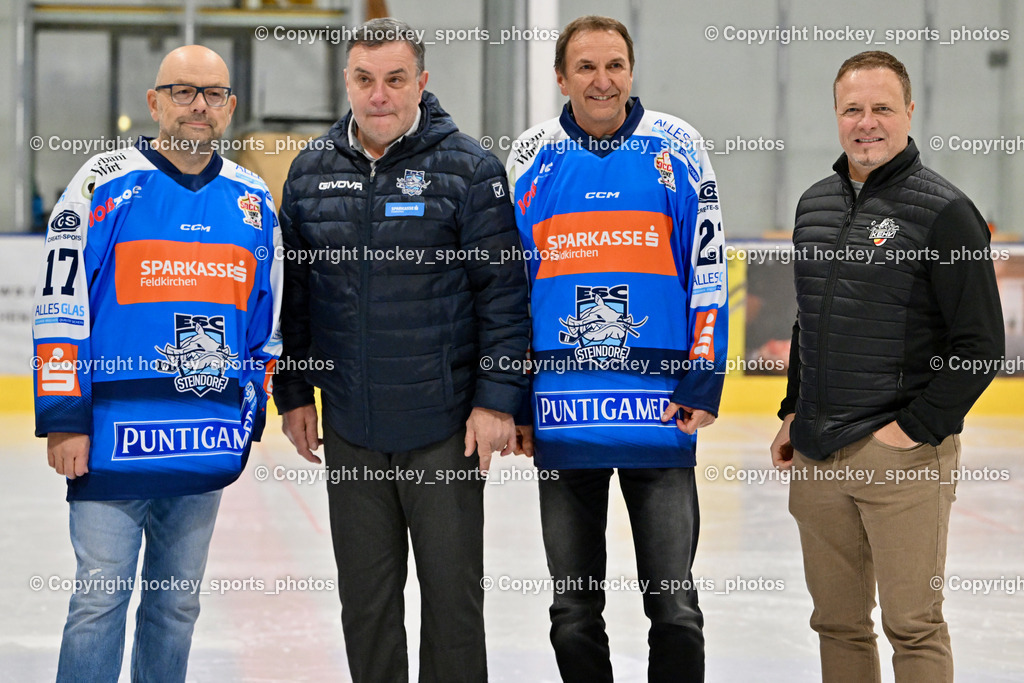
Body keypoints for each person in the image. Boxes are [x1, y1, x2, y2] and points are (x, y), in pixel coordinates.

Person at [274, 17, 529, 683]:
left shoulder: (470, 170)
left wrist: (495, 401)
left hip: (444, 428)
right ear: (348, 83)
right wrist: (296, 392)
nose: (378, 95)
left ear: (422, 82)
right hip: (352, 427)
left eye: (394, 79)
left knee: (451, 602)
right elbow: (295, 298)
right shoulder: (309, 173)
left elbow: (503, 297)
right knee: (366, 604)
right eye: (364, 79)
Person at [33, 45, 282, 682]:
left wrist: (244, 421)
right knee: (98, 599)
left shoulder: (253, 198)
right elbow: (62, 304)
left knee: (176, 605)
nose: (199, 105)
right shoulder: (101, 182)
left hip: (203, 439)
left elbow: (265, 325)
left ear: (230, 106)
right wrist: (65, 417)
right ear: (154, 102)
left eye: (214, 94)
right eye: (183, 91)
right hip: (113, 441)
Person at [770, 51, 1004, 683]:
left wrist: (914, 431)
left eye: (880, 108)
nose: (865, 122)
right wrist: (792, 411)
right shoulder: (814, 204)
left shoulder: (946, 212)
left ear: (908, 112)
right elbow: (808, 320)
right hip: (818, 453)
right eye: (852, 109)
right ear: (837, 116)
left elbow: (980, 343)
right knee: (838, 625)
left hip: (900, 458)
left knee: (914, 626)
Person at [507, 16, 728, 683]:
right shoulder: (529, 156)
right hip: (564, 414)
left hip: (660, 413)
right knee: (573, 607)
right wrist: (516, 397)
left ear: (631, 70)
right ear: (560, 76)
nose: (601, 81)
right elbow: (508, 287)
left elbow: (707, 265)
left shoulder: (678, 146)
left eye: (614, 66)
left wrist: (703, 379)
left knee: (675, 604)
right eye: (585, 67)